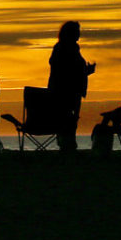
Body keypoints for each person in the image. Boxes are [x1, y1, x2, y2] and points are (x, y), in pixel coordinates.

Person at [47, 20, 95, 152]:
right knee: (69, 120)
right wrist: (87, 71)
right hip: (69, 91)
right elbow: (71, 71)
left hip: (62, 90)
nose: (79, 34)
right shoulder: (69, 49)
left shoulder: (60, 48)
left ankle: (66, 145)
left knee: (67, 119)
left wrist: (85, 71)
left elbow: (66, 70)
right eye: (77, 32)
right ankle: (68, 146)